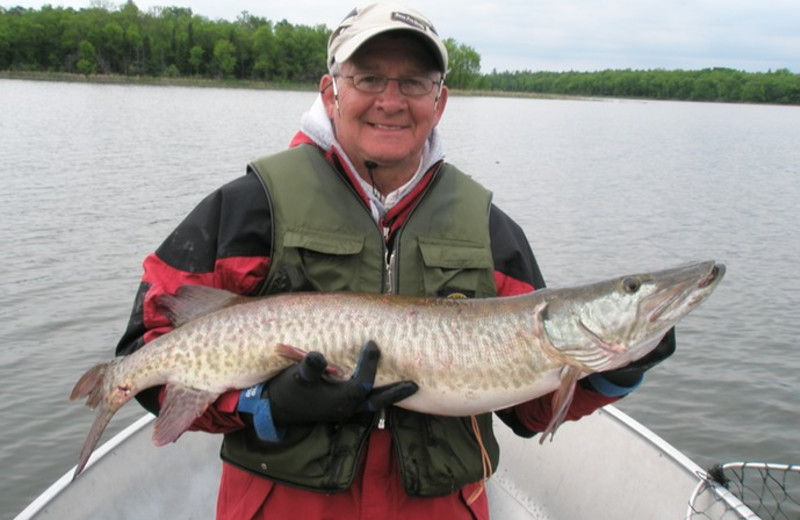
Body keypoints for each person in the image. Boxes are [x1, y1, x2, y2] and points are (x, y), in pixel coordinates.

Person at [115, 3, 675, 519]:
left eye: (413, 81)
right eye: (368, 78)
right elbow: (146, 355)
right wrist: (266, 404)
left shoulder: (488, 230)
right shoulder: (250, 208)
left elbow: (528, 412)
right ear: (332, 92)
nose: (391, 99)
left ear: (440, 100)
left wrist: (619, 368)